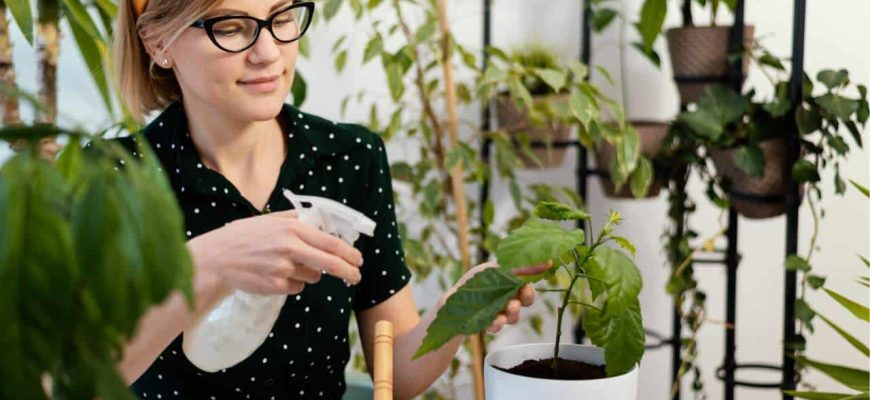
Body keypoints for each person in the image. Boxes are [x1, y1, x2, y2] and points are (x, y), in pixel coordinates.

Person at [109, 0, 549, 399]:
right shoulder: (109, 180)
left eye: (281, 18)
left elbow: (393, 376)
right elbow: (70, 380)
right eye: (231, 27)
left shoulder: (350, 159)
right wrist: (210, 263)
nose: (267, 53)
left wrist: (459, 309)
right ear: (157, 41)